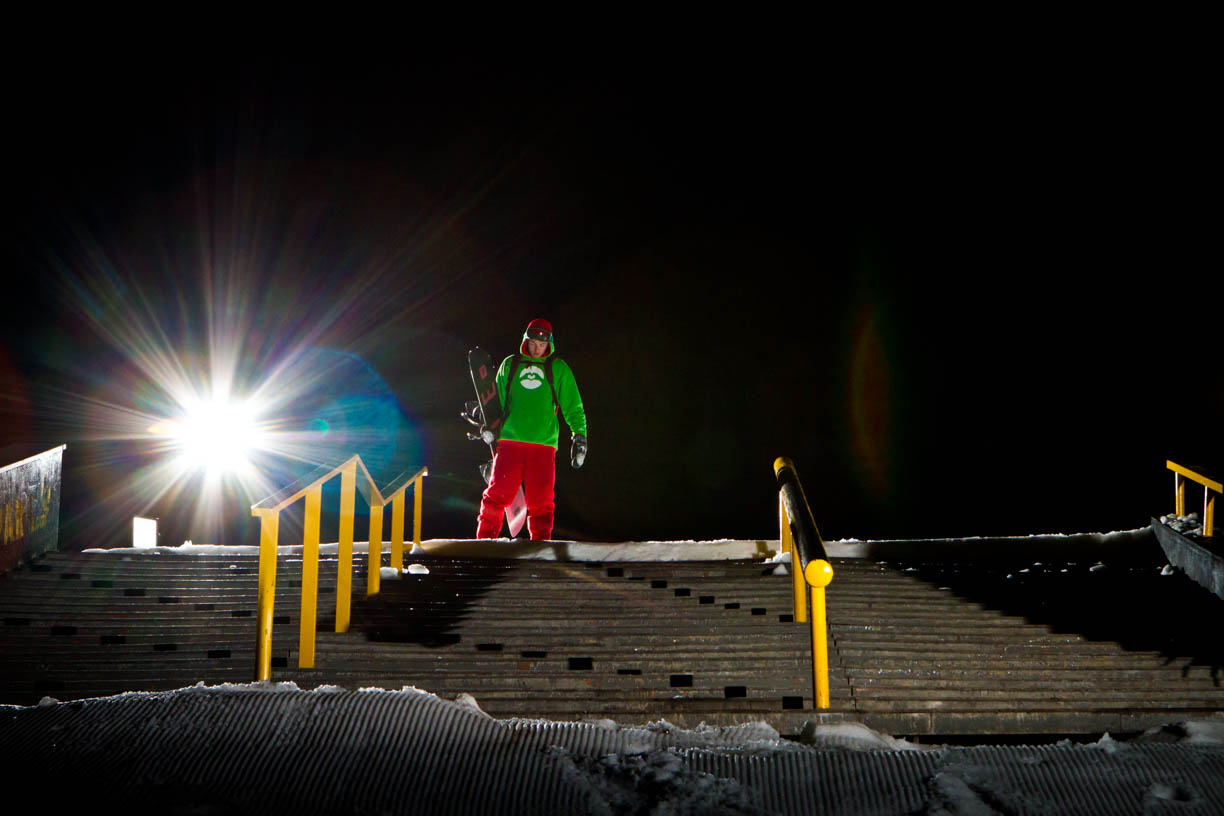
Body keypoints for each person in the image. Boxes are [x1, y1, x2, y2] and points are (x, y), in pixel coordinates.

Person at [476, 318, 587, 540]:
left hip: (543, 445)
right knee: (497, 494)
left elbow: (573, 406)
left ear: (550, 344)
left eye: (542, 345)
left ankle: (540, 546)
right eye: (534, 343)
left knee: (541, 501)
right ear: (526, 340)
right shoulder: (510, 364)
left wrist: (580, 435)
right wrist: (483, 418)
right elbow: (495, 402)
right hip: (510, 442)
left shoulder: (558, 369)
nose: (537, 349)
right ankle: (484, 542)